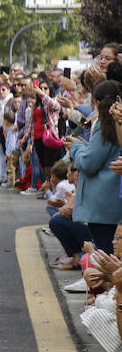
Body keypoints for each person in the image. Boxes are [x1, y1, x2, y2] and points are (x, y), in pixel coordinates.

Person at [67, 81, 122, 256]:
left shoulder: (105, 125)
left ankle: (103, 281)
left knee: (106, 251)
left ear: (96, 102)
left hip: (102, 202)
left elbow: (89, 164)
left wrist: (76, 147)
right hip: (112, 199)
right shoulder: (113, 124)